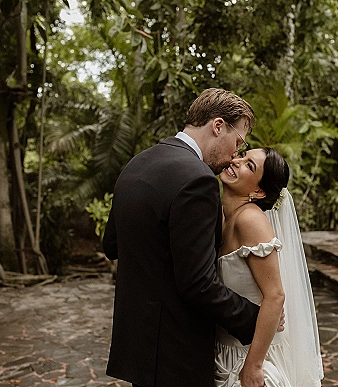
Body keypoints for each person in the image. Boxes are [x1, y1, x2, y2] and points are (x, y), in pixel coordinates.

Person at [103, 89, 283, 387]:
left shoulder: (137, 162)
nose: (233, 156)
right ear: (217, 126)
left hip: (138, 346)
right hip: (176, 353)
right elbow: (198, 283)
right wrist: (256, 318)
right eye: (237, 142)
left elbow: (112, 245)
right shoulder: (197, 179)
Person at [215, 147, 324, 387]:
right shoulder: (223, 218)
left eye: (249, 165)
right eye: (242, 155)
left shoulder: (250, 220)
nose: (236, 160)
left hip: (251, 355)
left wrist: (253, 365)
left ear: (258, 190)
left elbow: (275, 296)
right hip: (225, 351)